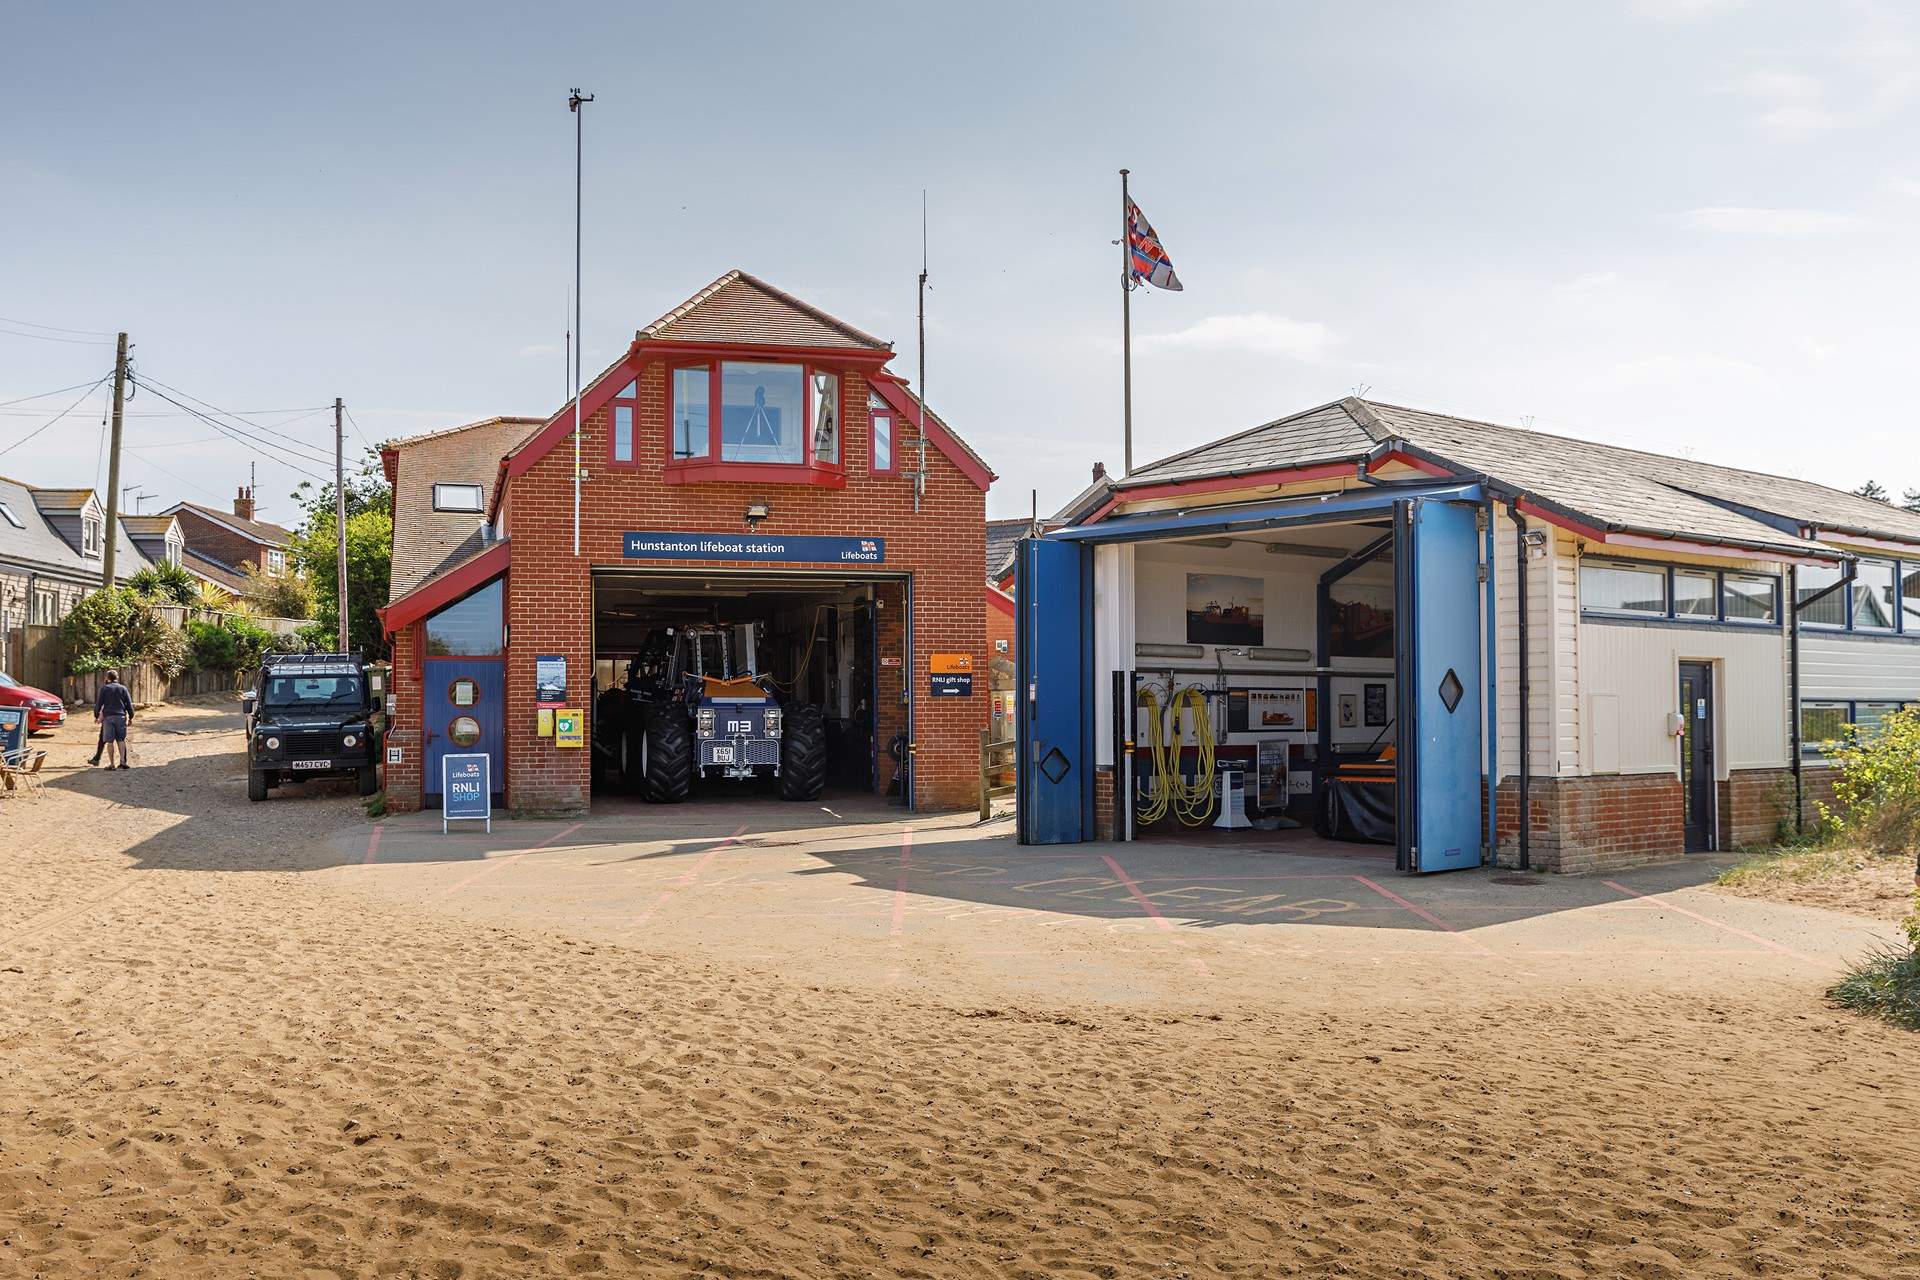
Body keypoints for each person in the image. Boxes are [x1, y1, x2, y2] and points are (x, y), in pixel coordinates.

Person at [93, 669, 133, 769]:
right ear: (117, 677)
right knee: (121, 740)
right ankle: (123, 762)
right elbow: (129, 704)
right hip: (120, 717)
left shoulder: (104, 689)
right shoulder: (123, 689)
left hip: (108, 718)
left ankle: (112, 764)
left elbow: (99, 704)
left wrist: (96, 716)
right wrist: (131, 716)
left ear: (107, 678)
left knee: (110, 741)